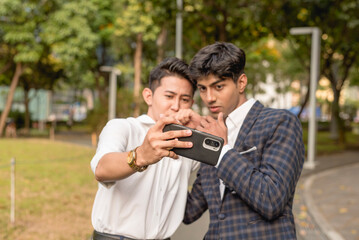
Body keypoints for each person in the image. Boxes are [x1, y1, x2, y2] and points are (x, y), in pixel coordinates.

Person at [180, 42, 305, 239]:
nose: (209, 97)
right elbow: (188, 211)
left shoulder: (279, 122)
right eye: (202, 89)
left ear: (241, 83)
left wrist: (221, 151)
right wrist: (167, 149)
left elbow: (272, 200)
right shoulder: (210, 134)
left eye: (218, 86)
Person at [90, 57, 200, 240]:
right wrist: (140, 155)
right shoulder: (123, 127)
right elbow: (102, 169)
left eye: (185, 99)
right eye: (169, 96)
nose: (176, 106)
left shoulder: (189, 142)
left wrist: (202, 126)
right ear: (148, 96)